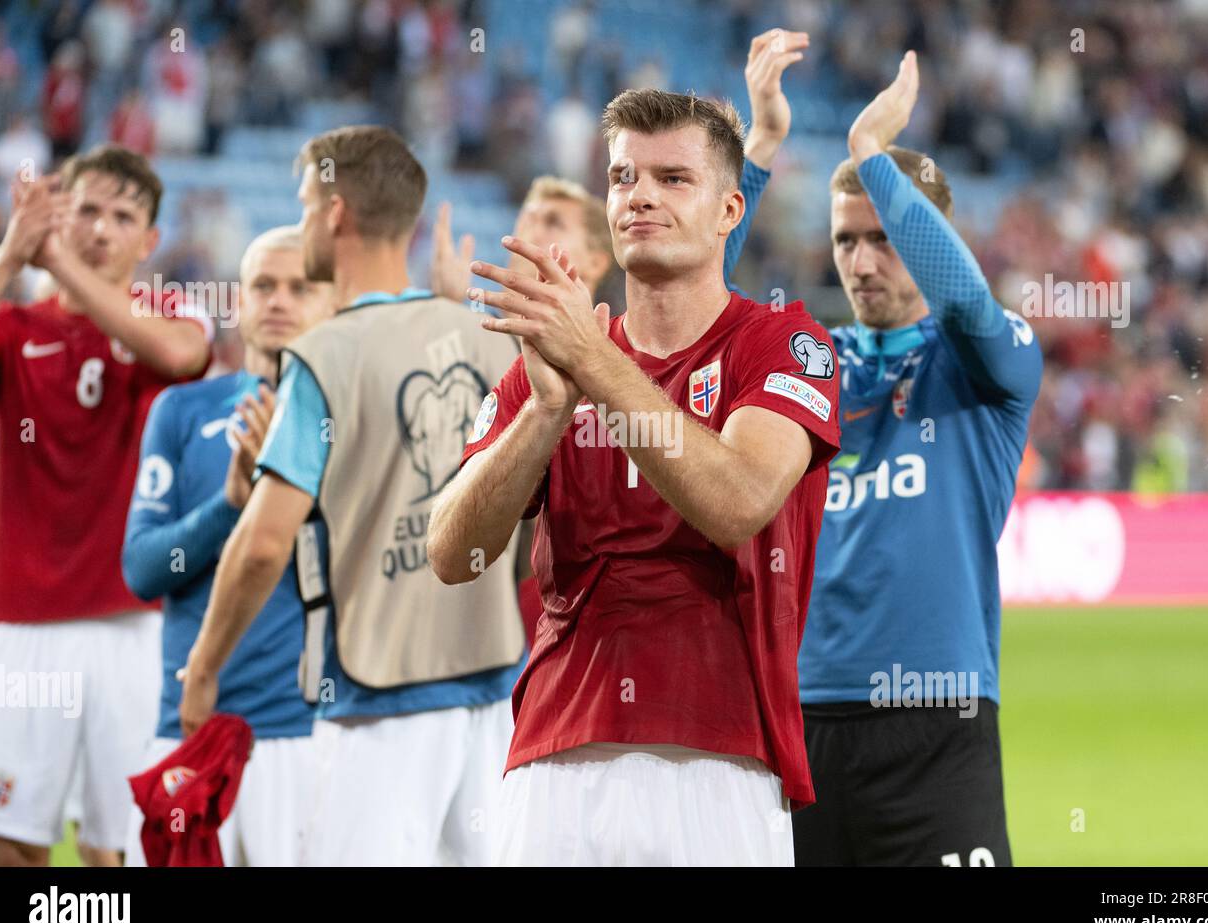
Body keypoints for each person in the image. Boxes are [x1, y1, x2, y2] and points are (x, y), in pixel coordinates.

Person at [427, 86, 840, 866]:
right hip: (550, 759)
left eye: (673, 179)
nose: (640, 195)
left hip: (719, 759)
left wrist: (592, 362)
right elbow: (452, 553)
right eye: (623, 178)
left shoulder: (782, 344)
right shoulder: (550, 362)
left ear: (729, 210)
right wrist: (543, 415)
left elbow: (738, 500)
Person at [178, 126, 526, 866]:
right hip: (494, 692)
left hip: (377, 701)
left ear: (335, 212)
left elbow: (265, 541)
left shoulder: (324, 354)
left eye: (306, 203)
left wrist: (204, 667)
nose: (303, 218)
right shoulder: (489, 337)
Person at [792, 53, 1042, 866]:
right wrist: (757, 151)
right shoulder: (809, 367)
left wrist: (870, 151)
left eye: (884, 239)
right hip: (802, 720)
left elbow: (966, 301)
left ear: (926, 239)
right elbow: (690, 339)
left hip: (941, 720)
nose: (861, 263)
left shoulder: (986, 364)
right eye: (845, 241)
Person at [0, 145, 211, 867]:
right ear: (57, 215)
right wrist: (10, 255)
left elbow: (179, 357)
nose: (101, 229)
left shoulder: (173, 312)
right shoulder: (13, 330)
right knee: (5, 845)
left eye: (123, 217)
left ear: (148, 242)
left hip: (134, 629)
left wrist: (57, 260)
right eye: (85, 210)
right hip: (21, 626)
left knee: (126, 849)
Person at [120, 226, 332, 865]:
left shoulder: (345, 414)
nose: (279, 300)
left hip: (307, 731)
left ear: (329, 301)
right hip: (188, 723)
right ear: (237, 302)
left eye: (300, 286)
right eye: (263, 285)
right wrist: (233, 506)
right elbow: (143, 569)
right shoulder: (182, 410)